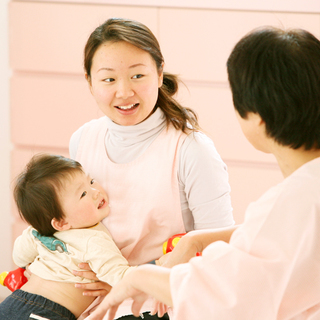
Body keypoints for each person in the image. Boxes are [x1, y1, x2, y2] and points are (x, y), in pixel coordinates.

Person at [87, 26, 320, 320]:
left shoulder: (293, 202)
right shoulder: (301, 198)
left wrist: (137, 278)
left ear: (256, 118)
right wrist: (194, 241)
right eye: (108, 78)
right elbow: (280, 238)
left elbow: (226, 294)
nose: (124, 91)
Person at [69, 17, 234, 319]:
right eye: (108, 79)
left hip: (162, 305)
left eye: (137, 76)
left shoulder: (191, 149)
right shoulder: (82, 141)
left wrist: (131, 284)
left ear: (159, 74)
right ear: (89, 82)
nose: (124, 92)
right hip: (88, 304)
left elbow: (219, 253)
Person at [0, 154, 137, 320]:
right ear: (61, 223)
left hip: (12, 302)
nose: (95, 192)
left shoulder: (38, 232)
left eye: (92, 181)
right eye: (83, 194)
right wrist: (156, 270)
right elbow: (122, 278)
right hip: (50, 312)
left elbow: (19, 257)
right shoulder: (93, 240)